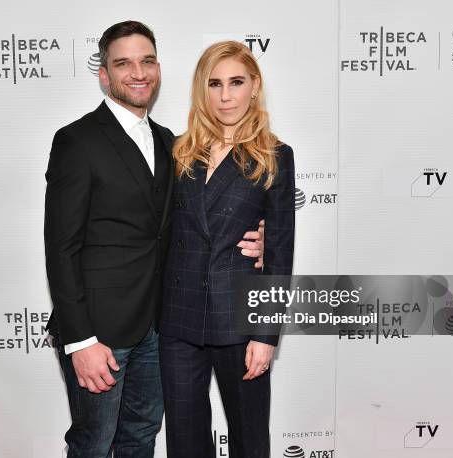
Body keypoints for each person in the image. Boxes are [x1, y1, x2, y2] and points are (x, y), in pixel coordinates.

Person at [43, 22, 264, 458]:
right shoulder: (76, 140)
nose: (137, 72)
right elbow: (60, 248)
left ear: (158, 69)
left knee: (141, 438)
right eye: (123, 63)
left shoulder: (174, 144)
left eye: (146, 61)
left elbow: (200, 219)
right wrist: (81, 341)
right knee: (93, 442)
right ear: (104, 74)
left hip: (161, 329)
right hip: (101, 334)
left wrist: (261, 238)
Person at [159, 40, 295, 458]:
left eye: (236, 82)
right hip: (179, 322)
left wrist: (266, 334)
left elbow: (280, 253)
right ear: (203, 90)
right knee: (184, 442)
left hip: (241, 318)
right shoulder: (178, 151)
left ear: (254, 86)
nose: (225, 95)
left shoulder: (274, 156)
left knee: (250, 438)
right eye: (215, 84)